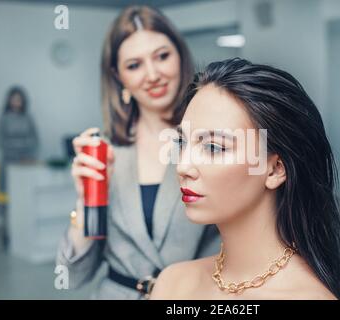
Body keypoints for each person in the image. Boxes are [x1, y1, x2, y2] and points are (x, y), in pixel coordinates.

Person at [151, 58, 340, 300]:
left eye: (213, 147)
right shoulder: (172, 283)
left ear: (274, 170)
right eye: (182, 142)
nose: (183, 166)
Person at [56, 5, 219, 300]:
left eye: (162, 56)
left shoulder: (216, 142)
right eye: (134, 65)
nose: (153, 74)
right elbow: (73, 276)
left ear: (180, 56)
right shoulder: (105, 151)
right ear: (118, 77)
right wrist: (84, 203)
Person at [0, 86, 39, 193]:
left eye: (19, 99)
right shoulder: (4, 118)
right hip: (9, 162)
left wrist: (21, 147)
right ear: (9, 100)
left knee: (24, 191)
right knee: (8, 191)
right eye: (14, 99)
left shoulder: (28, 118)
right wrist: (21, 144)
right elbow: (1, 142)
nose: (16, 102)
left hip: (26, 161)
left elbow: (34, 140)